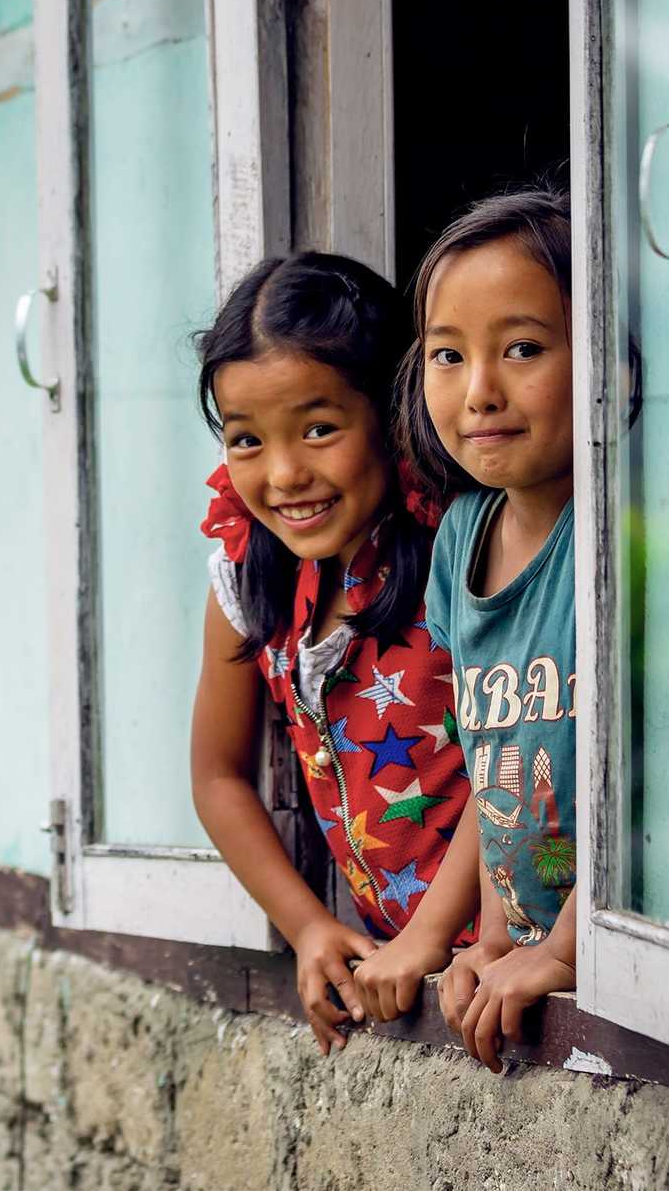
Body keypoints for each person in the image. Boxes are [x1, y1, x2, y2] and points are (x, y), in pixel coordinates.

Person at [190, 252, 480, 1055]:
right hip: (396, 967)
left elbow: (519, 762)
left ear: (392, 412)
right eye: (247, 440)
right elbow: (216, 776)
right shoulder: (250, 579)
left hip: (502, 956)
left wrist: (431, 937)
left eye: (319, 429)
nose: (285, 473)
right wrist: (310, 928)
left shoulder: (464, 551)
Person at [396, 188, 580, 1072]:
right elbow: (499, 766)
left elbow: (660, 789)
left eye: (523, 348)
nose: (479, 392)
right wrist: (497, 937)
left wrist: (569, 948)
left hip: (618, 947)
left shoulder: (619, 536)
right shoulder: (461, 538)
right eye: (448, 354)